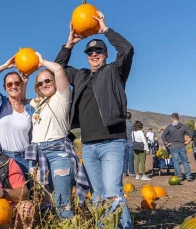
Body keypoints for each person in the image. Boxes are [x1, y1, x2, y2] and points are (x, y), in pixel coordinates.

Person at [54, 10, 134, 228]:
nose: (94, 55)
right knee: (97, 196)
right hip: (88, 146)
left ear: (106, 54)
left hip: (112, 142)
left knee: (113, 193)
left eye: (99, 51)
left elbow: (127, 49)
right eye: (90, 52)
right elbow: (58, 68)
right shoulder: (80, 76)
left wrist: (105, 30)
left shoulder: (114, 72)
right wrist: (69, 44)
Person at [25, 52, 89, 219]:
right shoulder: (38, 103)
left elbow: (59, 69)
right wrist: (24, 80)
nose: (44, 84)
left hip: (58, 153)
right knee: (43, 200)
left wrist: (41, 62)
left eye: (48, 80)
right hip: (38, 153)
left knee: (62, 201)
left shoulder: (62, 97)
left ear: (54, 81)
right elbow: (22, 99)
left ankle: (67, 223)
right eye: (40, 83)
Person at [0, 56, 34, 180]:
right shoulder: (0, 104)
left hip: (26, 158)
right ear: (5, 87)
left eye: (17, 83)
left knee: (28, 194)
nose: (13, 86)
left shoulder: (30, 109)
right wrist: (5, 66)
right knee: (6, 195)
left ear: (22, 85)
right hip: (3, 157)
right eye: (9, 84)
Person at [161, 113, 194, 182]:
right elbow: (191, 134)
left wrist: (166, 143)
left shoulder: (169, 127)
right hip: (182, 145)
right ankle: (188, 176)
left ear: (172, 118)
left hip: (173, 146)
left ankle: (179, 177)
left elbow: (163, 135)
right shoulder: (183, 126)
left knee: (176, 162)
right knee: (185, 161)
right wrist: (187, 142)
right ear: (178, 118)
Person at [124, 112, 135, 177]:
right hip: (131, 142)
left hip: (124, 142)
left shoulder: (122, 124)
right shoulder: (132, 124)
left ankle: (124, 172)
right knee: (131, 158)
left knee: (125, 157)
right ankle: (131, 172)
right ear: (130, 117)